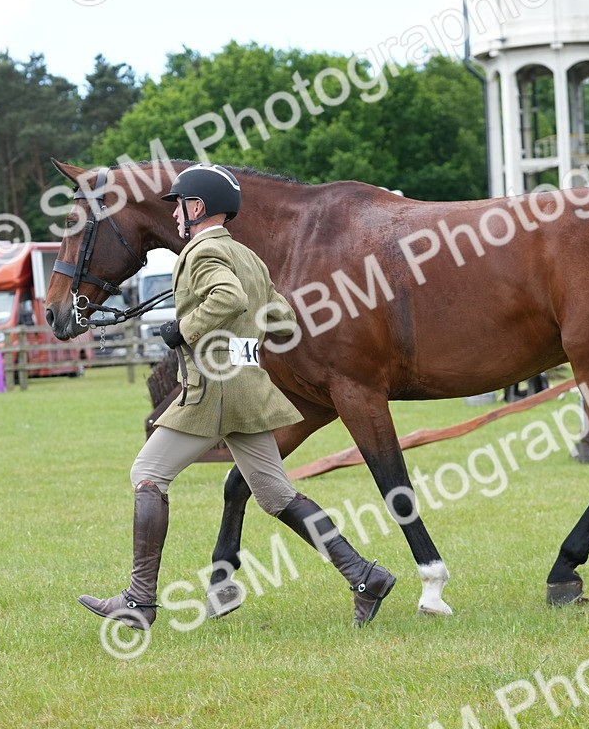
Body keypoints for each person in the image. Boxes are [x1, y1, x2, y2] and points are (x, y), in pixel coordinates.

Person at [78, 163, 396, 630]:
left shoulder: (201, 251)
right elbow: (283, 319)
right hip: (248, 387)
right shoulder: (248, 256)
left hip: (213, 387)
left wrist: (183, 328)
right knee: (276, 494)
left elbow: (226, 298)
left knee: (147, 475)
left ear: (198, 207)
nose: (176, 215)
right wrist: (245, 338)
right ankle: (365, 575)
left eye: (180, 206)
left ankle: (139, 601)